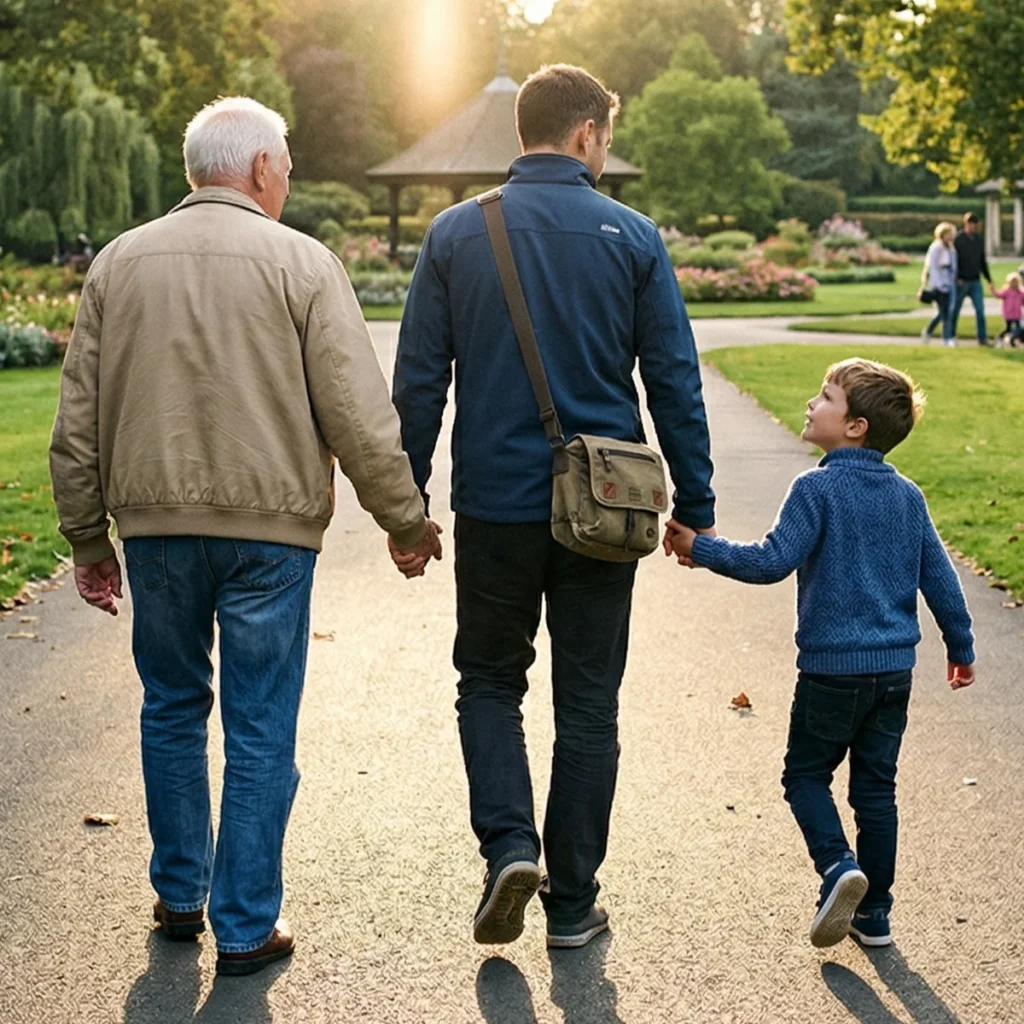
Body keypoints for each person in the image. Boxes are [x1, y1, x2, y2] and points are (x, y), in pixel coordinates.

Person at [49, 96, 440, 976]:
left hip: (154, 530)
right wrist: (405, 522)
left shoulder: (117, 264)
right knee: (261, 728)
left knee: (171, 707)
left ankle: (180, 894)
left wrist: (86, 536)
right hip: (272, 537)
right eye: (288, 164)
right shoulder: (303, 263)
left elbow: (77, 419)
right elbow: (357, 412)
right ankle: (245, 925)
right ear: (261, 168)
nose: (290, 177)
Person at [391, 64, 715, 949]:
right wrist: (699, 504)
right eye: (607, 136)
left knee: (489, 682)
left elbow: (419, 380)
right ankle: (572, 905)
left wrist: (406, 508)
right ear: (584, 134)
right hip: (606, 510)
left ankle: (507, 846)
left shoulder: (457, 232)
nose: (606, 151)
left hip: (494, 503)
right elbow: (674, 379)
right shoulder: (634, 236)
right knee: (589, 704)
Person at [665, 358, 975, 950]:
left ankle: (838, 867)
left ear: (854, 426)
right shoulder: (908, 496)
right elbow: (941, 579)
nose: (812, 403)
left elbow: (769, 562)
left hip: (832, 671)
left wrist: (703, 548)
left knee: (805, 775)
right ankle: (875, 915)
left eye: (825, 396)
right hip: (894, 674)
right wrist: (960, 648)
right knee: (875, 791)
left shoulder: (816, 488)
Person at [952, 212, 992, 346]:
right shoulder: (958, 239)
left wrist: (988, 278)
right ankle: (951, 336)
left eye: (975, 225)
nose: (973, 227)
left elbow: (982, 261)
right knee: (955, 309)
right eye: (971, 224)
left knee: (980, 310)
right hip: (962, 280)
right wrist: (956, 277)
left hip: (975, 280)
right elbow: (954, 261)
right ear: (966, 224)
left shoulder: (979, 240)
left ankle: (982, 338)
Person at [920, 222, 957, 346]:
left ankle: (934, 333)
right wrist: (938, 284)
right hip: (939, 285)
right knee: (943, 313)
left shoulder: (951, 249)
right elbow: (932, 267)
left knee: (946, 312)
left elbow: (953, 266)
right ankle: (945, 338)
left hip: (949, 284)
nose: (950, 237)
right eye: (948, 234)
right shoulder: (936, 248)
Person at [989, 271, 1023, 347]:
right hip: (1009, 314)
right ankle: (1000, 338)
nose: (1014, 284)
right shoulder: (1007, 291)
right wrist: (992, 289)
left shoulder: (1020, 292)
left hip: (1017, 314)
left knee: (1018, 329)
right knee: (1008, 329)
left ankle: (1013, 340)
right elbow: (998, 295)